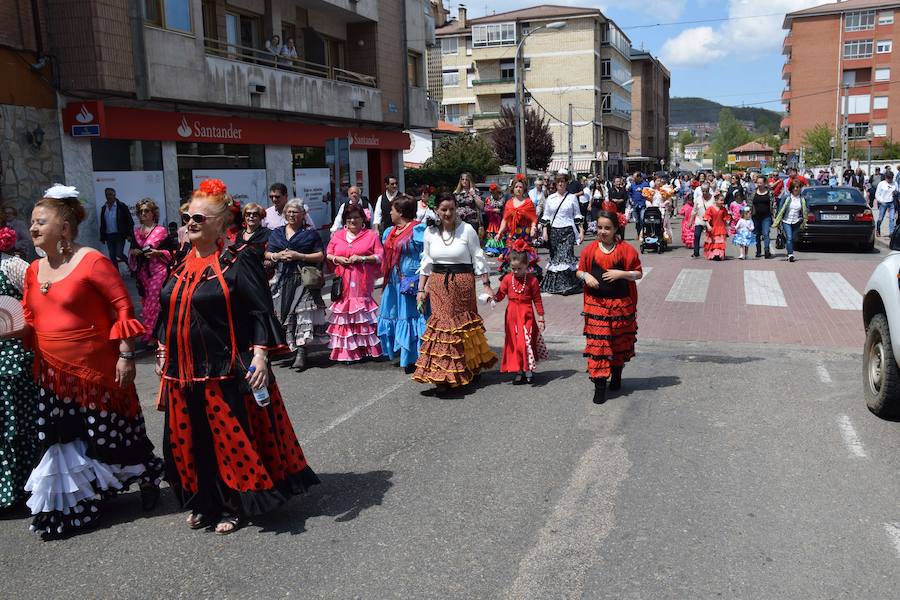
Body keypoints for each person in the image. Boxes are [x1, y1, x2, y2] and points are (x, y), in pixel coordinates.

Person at [156, 178, 319, 535]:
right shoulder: (180, 263)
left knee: (227, 439)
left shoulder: (238, 261)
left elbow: (260, 312)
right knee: (189, 441)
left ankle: (233, 504)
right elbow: (167, 310)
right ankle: (204, 501)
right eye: (187, 217)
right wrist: (163, 346)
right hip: (182, 371)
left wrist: (260, 355)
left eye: (199, 217)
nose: (190, 223)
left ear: (221, 223)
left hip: (224, 369)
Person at [22, 184, 163, 539]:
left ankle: (145, 478)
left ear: (65, 228)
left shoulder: (92, 261)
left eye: (41, 222)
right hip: (52, 373)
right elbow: (29, 318)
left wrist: (126, 354)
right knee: (62, 440)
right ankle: (81, 500)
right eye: (32, 222)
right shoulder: (32, 270)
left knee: (111, 433)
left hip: (97, 370)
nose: (33, 228)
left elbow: (122, 308)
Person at [413, 193, 497, 391]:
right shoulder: (430, 232)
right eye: (443, 209)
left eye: (451, 209)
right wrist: (420, 290)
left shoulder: (467, 230)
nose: (448, 213)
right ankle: (443, 375)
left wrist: (485, 283)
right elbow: (426, 262)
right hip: (438, 283)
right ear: (436, 211)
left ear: (457, 208)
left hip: (463, 282)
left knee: (464, 327)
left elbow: (478, 257)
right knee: (443, 325)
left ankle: (469, 367)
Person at [576, 211, 642, 405]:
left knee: (618, 344)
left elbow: (638, 274)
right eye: (599, 227)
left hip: (621, 306)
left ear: (615, 229)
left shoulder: (627, 250)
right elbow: (579, 270)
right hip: (596, 305)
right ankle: (599, 386)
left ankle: (617, 376)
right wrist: (585, 276)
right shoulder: (589, 250)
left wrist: (621, 274)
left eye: (607, 228)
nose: (602, 231)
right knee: (599, 346)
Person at [0, 223, 39, 512]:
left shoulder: (12, 265)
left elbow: (38, 303)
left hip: (12, 356)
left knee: (17, 425)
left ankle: (23, 487)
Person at [266, 199, 328, 370]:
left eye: (295, 212)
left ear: (303, 215)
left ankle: (301, 352)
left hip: (302, 279)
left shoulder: (310, 234)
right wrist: (277, 257)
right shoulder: (277, 233)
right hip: (282, 279)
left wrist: (298, 255)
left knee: (302, 314)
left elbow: (320, 255)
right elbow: (268, 253)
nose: (291, 215)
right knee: (285, 315)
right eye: (289, 212)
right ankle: (290, 349)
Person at [326, 204, 384, 362]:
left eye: (356, 217)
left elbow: (380, 256)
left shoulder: (371, 235)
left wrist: (362, 258)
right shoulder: (338, 235)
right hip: (343, 281)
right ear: (345, 220)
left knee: (362, 315)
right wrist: (336, 259)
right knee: (344, 315)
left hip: (362, 281)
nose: (352, 220)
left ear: (362, 219)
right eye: (349, 217)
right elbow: (329, 253)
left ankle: (366, 349)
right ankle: (347, 353)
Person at [377, 194, 429, 373]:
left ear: (400, 212)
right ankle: (400, 351)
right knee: (393, 314)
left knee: (411, 317)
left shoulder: (418, 230)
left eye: (392, 209)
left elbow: (426, 255)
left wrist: (424, 282)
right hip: (392, 281)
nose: (389, 212)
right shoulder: (389, 231)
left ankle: (413, 357)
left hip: (410, 282)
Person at [492, 244, 547, 386]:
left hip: (526, 314)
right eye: (513, 268)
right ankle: (518, 370)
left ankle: (527, 369)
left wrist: (541, 317)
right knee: (515, 343)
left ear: (527, 265)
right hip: (511, 315)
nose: (516, 271)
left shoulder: (532, 280)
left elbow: (537, 300)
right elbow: (500, 295)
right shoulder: (506, 279)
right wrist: (491, 298)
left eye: (519, 269)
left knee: (526, 341)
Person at [128, 198, 172, 346]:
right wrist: (133, 252)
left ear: (153, 213)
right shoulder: (135, 232)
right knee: (146, 303)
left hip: (158, 270)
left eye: (146, 211)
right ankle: (152, 333)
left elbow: (171, 251)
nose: (143, 214)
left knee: (153, 303)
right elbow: (133, 250)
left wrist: (158, 253)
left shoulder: (161, 230)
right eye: (140, 211)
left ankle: (152, 336)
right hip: (143, 273)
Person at [540, 175, 584, 295]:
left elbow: (577, 214)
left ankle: (568, 285)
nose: (561, 184)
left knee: (566, 256)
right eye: (558, 182)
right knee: (556, 258)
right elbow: (546, 216)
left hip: (568, 231)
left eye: (563, 182)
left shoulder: (572, 198)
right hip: (554, 231)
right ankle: (556, 285)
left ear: (566, 183)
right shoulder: (550, 198)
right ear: (555, 184)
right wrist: (544, 231)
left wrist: (581, 231)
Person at [495, 175, 539, 274]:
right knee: (512, 258)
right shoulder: (509, 203)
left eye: (520, 187)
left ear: (524, 189)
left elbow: (533, 218)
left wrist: (533, 227)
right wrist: (499, 232)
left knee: (524, 259)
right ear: (513, 189)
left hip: (525, 236)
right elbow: (505, 220)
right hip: (512, 235)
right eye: (516, 187)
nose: (518, 189)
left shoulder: (528, 203)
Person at [772, 180, 809, 263]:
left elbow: (806, 209)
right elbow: (780, 208)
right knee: (789, 237)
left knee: (793, 239)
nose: (796, 189)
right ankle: (790, 254)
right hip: (786, 221)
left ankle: (789, 248)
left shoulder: (803, 198)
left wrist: (804, 218)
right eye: (794, 187)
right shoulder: (786, 197)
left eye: (798, 187)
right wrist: (778, 219)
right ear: (791, 188)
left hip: (797, 221)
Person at [98, 187, 135, 266]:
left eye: (111, 194)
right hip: (109, 235)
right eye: (107, 195)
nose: (109, 196)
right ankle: (116, 275)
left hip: (119, 235)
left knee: (119, 253)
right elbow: (103, 223)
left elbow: (129, 221)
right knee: (112, 256)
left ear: (115, 195)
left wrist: (129, 234)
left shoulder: (121, 206)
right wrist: (102, 237)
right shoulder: (104, 208)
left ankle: (131, 266)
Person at [751, 176, 774, 259]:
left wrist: (774, 216)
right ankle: (758, 250)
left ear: (765, 183)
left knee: (766, 233)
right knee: (757, 234)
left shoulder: (770, 193)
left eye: (761, 183)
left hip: (766, 216)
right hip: (755, 217)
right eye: (758, 183)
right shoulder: (753, 193)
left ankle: (767, 250)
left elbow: (773, 205)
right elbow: (749, 204)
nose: (759, 184)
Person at [704, 193, 730, 261]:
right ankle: (713, 255)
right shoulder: (710, 208)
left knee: (720, 243)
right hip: (713, 228)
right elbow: (706, 218)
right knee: (713, 243)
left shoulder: (723, 209)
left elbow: (725, 219)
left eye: (723, 200)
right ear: (716, 200)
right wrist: (708, 226)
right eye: (721, 200)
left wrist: (727, 228)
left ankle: (719, 255)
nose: (722, 202)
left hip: (721, 228)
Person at [691, 184, 715, 258]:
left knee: (712, 236)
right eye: (703, 191)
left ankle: (712, 251)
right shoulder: (698, 199)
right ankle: (696, 252)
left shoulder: (713, 198)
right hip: (700, 219)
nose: (705, 193)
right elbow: (694, 210)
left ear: (709, 190)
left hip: (710, 220)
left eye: (706, 191)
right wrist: (690, 221)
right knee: (696, 234)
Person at [483, 183, 506, 257]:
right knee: (492, 234)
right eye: (491, 191)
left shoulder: (502, 198)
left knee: (500, 234)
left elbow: (505, 209)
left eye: (494, 191)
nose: (492, 193)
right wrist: (494, 210)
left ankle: (500, 250)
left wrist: (500, 211)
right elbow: (486, 209)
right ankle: (491, 250)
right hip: (492, 221)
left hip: (501, 220)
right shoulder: (488, 199)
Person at [874, 171, 897, 237]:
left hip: (892, 203)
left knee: (892, 218)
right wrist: (881, 201)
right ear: (886, 177)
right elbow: (877, 194)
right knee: (880, 218)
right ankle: (878, 230)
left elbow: (898, 191)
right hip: (883, 203)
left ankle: (891, 233)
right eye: (889, 178)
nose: (890, 180)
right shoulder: (881, 184)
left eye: (891, 178)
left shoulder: (895, 183)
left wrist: (896, 193)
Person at [628, 172, 649, 240]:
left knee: (642, 219)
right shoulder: (633, 184)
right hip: (635, 205)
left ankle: (643, 234)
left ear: (639, 177)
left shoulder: (645, 184)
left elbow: (649, 193)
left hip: (643, 204)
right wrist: (630, 200)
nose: (633, 179)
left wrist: (642, 191)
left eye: (635, 178)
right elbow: (630, 193)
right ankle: (638, 233)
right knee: (637, 221)